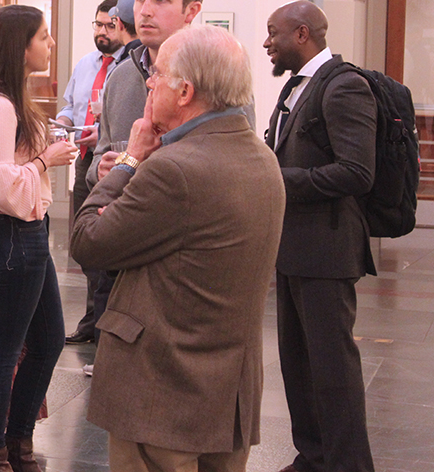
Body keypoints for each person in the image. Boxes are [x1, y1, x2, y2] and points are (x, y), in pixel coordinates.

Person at [72, 24, 285, 472]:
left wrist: (130, 160)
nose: (148, 81)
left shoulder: (174, 170)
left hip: (162, 395)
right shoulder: (262, 158)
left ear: (185, 91)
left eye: (159, 74)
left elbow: (88, 241)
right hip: (227, 393)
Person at [263, 0, 377, 472]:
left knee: (333, 369)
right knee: (297, 364)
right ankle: (312, 456)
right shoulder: (297, 86)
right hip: (293, 249)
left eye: (274, 33)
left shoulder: (344, 86)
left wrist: (279, 180)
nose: (267, 42)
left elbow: (357, 172)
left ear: (302, 33)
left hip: (327, 251)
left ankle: (348, 464)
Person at [82, 0, 206, 374]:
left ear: (192, 11)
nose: (145, 10)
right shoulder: (122, 75)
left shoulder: (216, 76)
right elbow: (100, 154)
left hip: (181, 265)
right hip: (119, 252)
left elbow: (227, 164)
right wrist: (102, 169)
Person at [0, 4, 76, 472]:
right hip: (10, 234)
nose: (50, 44)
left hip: (28, 233)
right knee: (4, 350)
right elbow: (3, 187)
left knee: (49, 341)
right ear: (20, 45)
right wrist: (45, 160)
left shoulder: (9, 101)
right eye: (44, 37)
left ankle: (18, 439)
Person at [56, 0, 121, 346]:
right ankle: (90, 319)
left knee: (104, 244)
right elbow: (71, 105)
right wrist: (63, 122)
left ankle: (103, 325)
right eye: (97, 25)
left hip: (110, 159)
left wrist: (103, 132)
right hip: (84, 159)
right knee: (83, 244)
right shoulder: (85, 64)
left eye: (109, 26)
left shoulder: (127, 66)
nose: (102, 32)